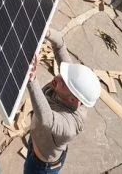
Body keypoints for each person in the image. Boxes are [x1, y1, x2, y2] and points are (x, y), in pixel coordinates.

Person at [25, 29, 100, 174]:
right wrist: (44, 31)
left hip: (41, 167)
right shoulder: (71, 84)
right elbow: (60, 44)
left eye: (63, 83)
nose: (57, 78)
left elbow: (47, 119)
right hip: (35, 142)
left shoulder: (70, 126)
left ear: (73, 99)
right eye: (61, 75)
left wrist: (32, 80)